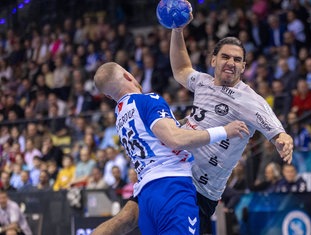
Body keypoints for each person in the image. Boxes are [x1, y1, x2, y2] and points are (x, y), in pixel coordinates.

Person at [92, 14, 293, 235]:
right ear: (213, 60)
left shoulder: (250, 100)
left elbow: (274, 127)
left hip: (200, 190)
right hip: (174, 175)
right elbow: (180, 69)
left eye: (237, 60)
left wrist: (282, 138)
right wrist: (177, 31)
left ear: (244, 67)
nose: (231, 63)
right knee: (125, 219)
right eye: (226, 57)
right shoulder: (203, 83)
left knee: (127, 219)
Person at [92, 62, 249, 235]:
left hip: (146, 195)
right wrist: (224, 131)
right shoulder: (148, 100)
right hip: (172, 187)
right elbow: (175, 139)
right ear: (128, 76)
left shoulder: (120, 116)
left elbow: (157, 134)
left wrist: (189, 120)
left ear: (108, 96)